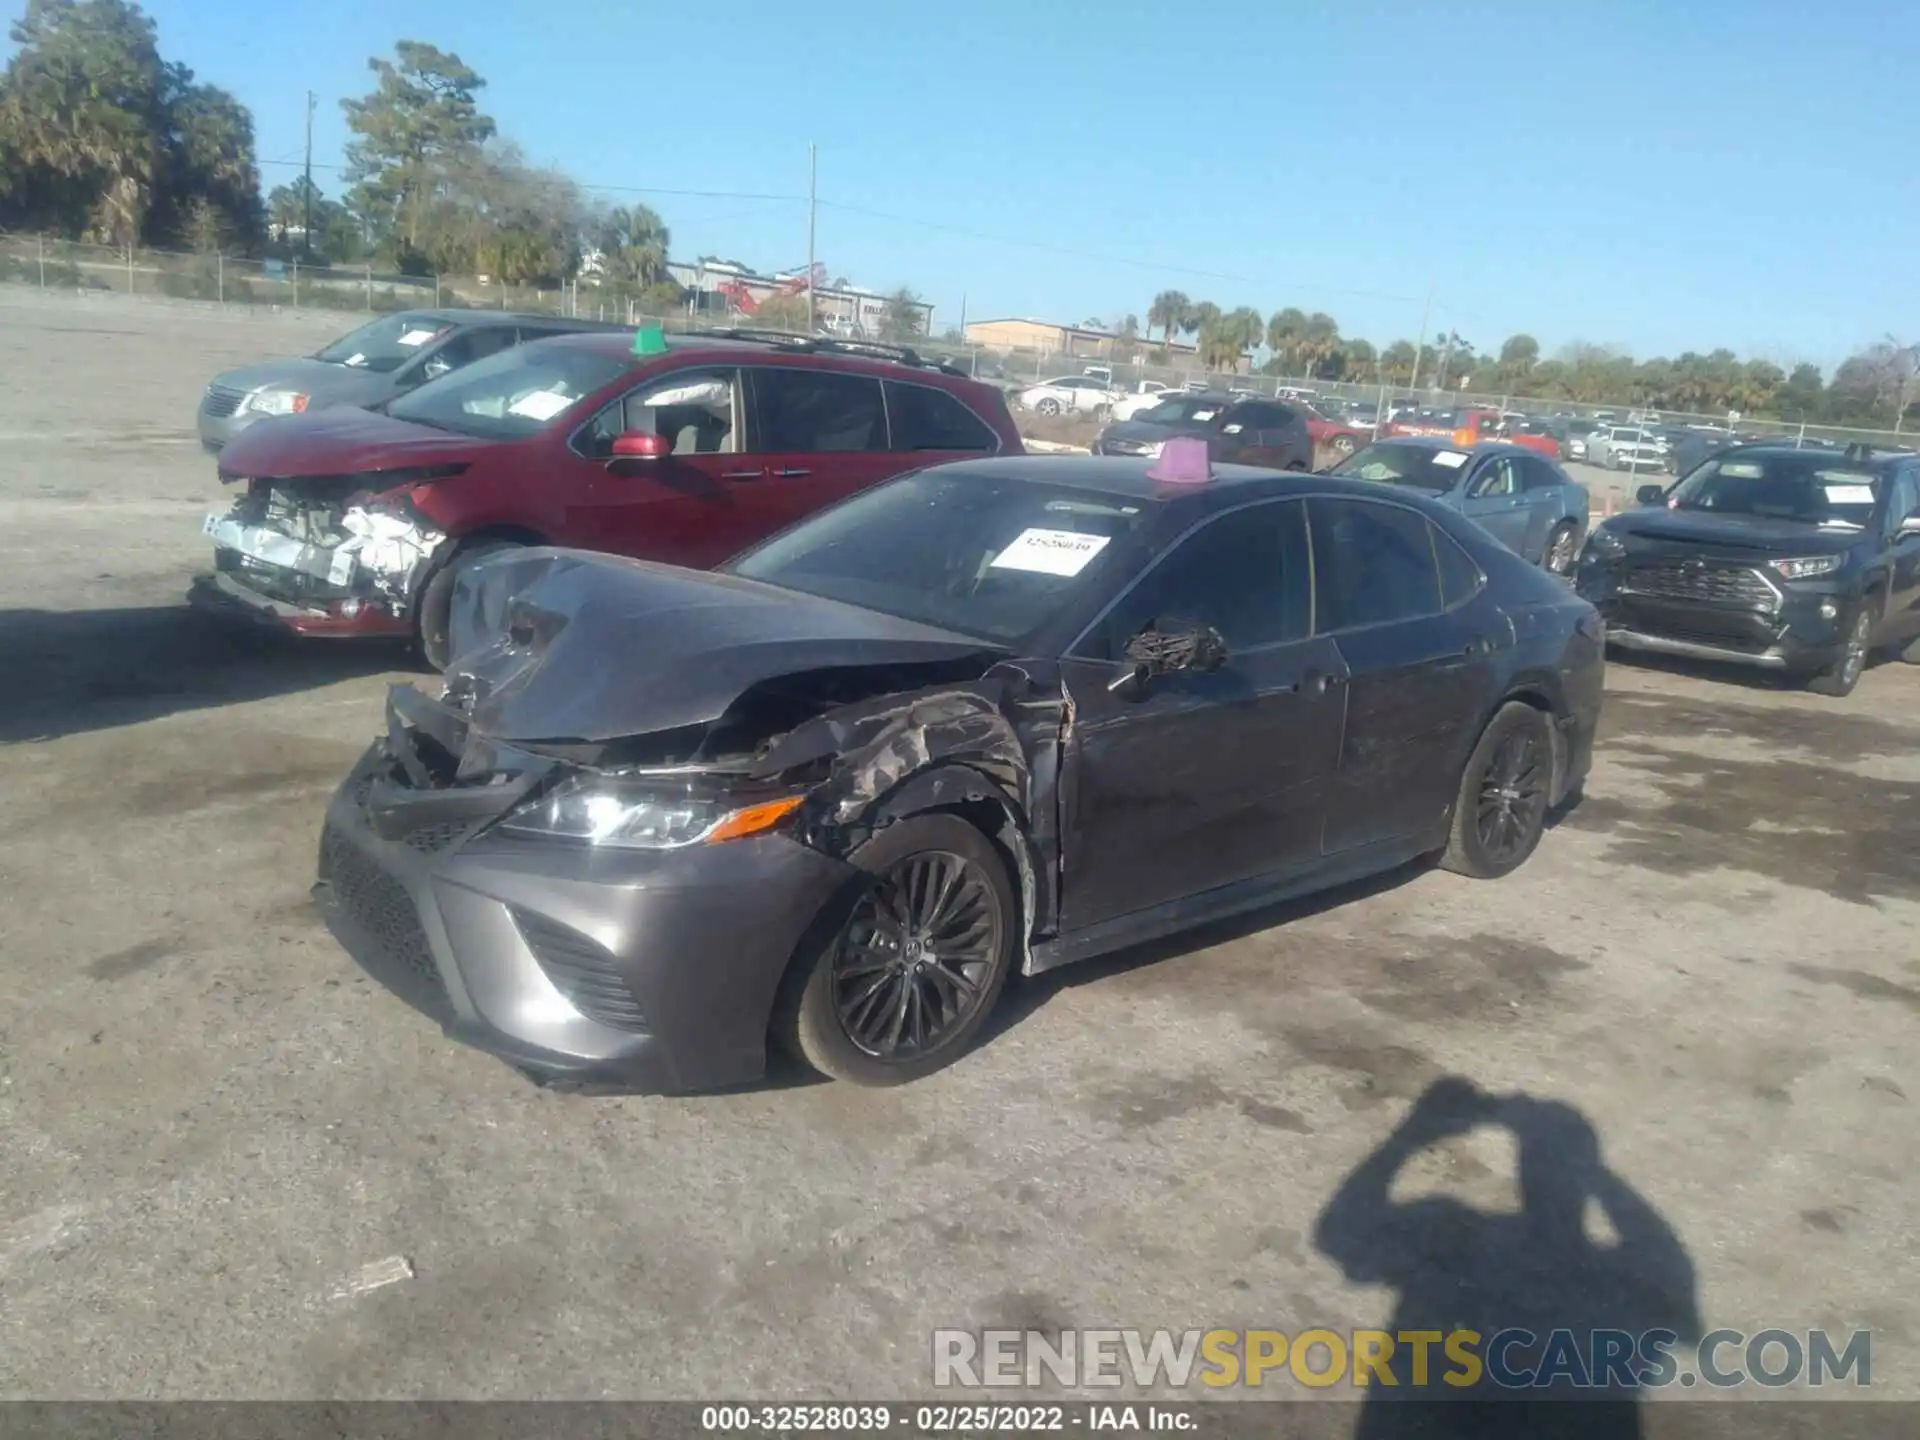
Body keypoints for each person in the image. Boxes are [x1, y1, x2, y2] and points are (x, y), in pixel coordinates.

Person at [1314, 1076, 1702, 1439]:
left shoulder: (1452, 1239)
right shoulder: (1618, 1279)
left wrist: (1413, 1133)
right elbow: (1666, 1260)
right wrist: (1591, 1170)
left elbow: (1339, 1233)